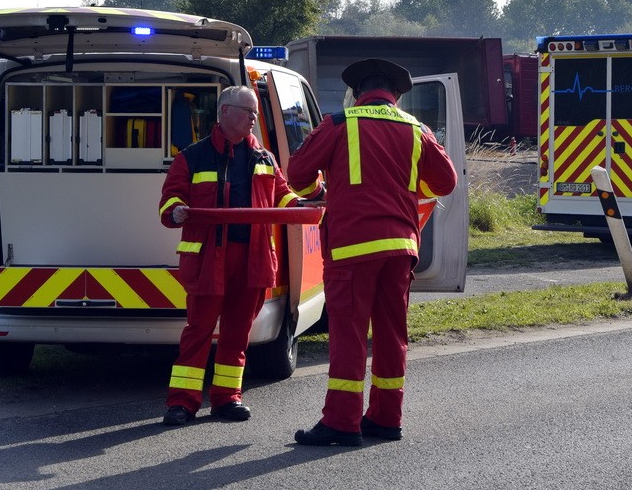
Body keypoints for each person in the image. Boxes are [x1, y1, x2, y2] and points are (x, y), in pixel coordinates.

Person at [287, 58, 458, 446]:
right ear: (396, 96)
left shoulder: (339, 124)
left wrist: (320, 194)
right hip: (401, 247)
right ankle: (385, 418)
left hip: (352, 246)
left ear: (358, 93)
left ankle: (341, 422)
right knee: (391, 335)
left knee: (348, 334)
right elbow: (445, 182)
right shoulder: (417, 129)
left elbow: (296, 174)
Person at [158, 85, 313, 426]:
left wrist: (300, 207)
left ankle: (227, 399)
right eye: (249, 112)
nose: (254, 119)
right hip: (209, 261)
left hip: (253, 260)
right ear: (225, 112)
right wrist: (177, 210)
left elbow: (282, 195)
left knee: (238, 333)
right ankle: (182, 403)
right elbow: (169, 201)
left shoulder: (264, 158)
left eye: (256, 113)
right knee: (198, 331)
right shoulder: (192, 157)